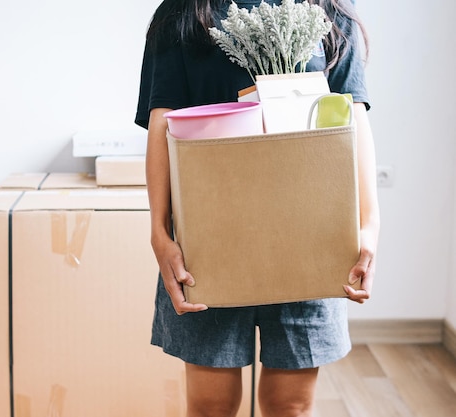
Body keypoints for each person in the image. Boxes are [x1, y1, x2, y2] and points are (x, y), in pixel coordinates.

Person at [135, 1, 380, 416]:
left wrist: (369, 227)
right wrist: (160, 233)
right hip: (210, 238)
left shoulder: (329, 9)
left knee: (291, 405)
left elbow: (352, 118)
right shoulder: (183, 11)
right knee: (211, 406)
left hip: (311, 235)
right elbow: (164, 120)